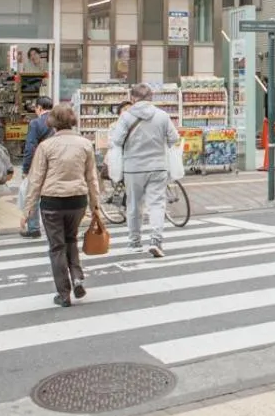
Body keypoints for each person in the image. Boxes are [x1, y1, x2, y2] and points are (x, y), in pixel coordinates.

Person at [22, 105, 102, 307]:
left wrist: (28, 209)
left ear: (52, 123)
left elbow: (36, 179)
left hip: (53, 201)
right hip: (78, 199)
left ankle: (63, 293)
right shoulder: (85, 144)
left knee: (57, 246)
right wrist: (95, 204)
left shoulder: (46, 146)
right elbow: (92, 177)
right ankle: (77, 277)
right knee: (71, 239)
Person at [109, 83, 179, 257]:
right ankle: (156, 240)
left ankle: (135, 241)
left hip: (133, 168)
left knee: (133, 205)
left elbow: (116, 141)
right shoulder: (162, 116)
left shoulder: (125, 117)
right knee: (156, 204)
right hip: (158, 166)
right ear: (151, 98)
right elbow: (174, 138)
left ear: (132, 98)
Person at [17, 96, 56, 239]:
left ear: (39, 108)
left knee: (33, 194)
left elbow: (30, 147)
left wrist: (26, 169)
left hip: (40, 164)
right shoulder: (59, 122)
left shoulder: (36, 123)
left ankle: (34, 228)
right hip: (57, 164)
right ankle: (53, 225)